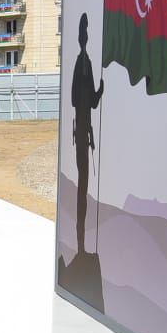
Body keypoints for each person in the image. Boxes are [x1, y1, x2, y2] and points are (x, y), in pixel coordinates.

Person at [70, 13, 105, 255]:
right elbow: (88, 101)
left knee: (83, 186)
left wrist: (95, 92)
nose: (85, 37)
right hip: (82, 133)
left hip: (83, 132)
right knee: (82, 187)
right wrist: (99, 91)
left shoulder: (84, 63)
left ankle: (81, 245)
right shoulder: (84, 64)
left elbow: (79, 98)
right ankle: (81, 246)